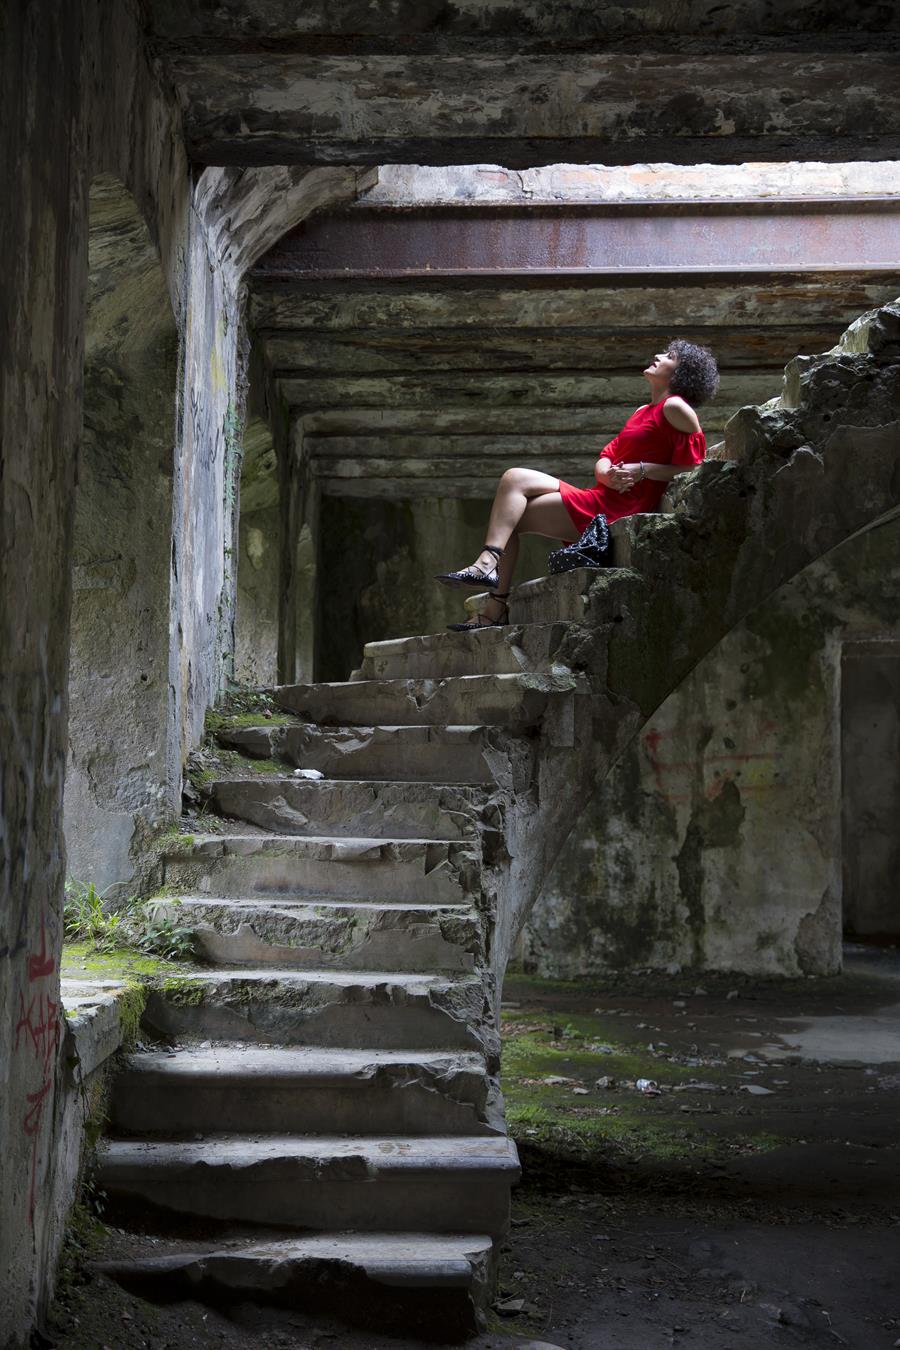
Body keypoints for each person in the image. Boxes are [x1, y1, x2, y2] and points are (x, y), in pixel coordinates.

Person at [435, 340, 719, 630]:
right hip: (600, 497)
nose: (657, 356)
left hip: (617, 509)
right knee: (511, 499)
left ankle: (489, 576)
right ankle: (493, 595)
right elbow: (607, 456)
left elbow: (694, 466)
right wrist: (605, 474)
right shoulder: (642, 411)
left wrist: (643, 470)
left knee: (513, 483)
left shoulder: (675, 407)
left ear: (682, 374)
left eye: (669, 356)